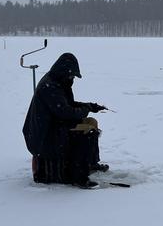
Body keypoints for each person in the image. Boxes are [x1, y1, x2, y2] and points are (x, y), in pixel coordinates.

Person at [22, 52, 108, 188]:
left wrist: (89, 106)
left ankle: (90, 163)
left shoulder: (57, 82)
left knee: (92, 123)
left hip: (54, 125)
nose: (72, 78)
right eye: (72, 75)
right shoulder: (50, 87)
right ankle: (78, 176)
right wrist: (84, 110)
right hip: (45, 135)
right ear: (64, 71)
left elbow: (66, 105)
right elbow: (65, 113)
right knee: (87, 132)